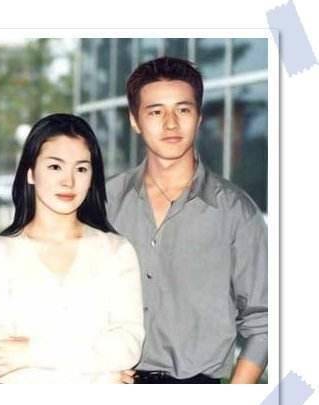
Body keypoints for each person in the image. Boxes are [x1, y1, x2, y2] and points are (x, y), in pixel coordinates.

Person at [106, 56, 267, 384]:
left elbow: (264, 321)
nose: (170, 124)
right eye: (155, 112)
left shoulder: (236, 212)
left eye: (183, 110)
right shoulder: (104, 202)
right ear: (135, 120)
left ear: (199, 117)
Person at [0, 113, 144, 383]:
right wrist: (102, 379)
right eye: (55, 166)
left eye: (81, 169)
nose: (69, 181)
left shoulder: (117, 251)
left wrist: (31, 351)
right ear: (30, 172)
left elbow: (127, 348)